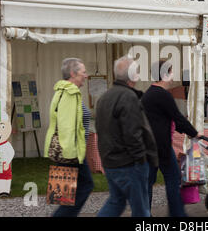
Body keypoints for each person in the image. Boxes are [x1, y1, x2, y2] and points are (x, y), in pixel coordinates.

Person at [96, 56, 158, 217]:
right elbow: (133, 134)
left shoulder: (104, 97)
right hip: (128, 163)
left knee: (116, 202)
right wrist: (141, 159)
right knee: (141, 209)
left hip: (111, 161)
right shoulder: (128, 97)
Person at [141, 60, 199, 217]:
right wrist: (194, 133)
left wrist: (185, 130)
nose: (173, 76)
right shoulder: (163, 95)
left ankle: (144, 213)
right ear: (165, 74)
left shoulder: (148, 94)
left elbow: (171, 119)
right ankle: (177, 214)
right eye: (172, 72)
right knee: (173, 179)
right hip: (162, 147)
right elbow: (177, 117)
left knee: (148, 182)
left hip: (148, 146)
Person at [44, 58, 94, 217]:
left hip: (69, 150)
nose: (86, 76)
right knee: (86, 185)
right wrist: (71, 154)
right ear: (73, 74)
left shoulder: (61, 90)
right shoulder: (70, 93)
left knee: (64, 195)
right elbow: (65, 125)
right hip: (71, 152)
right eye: (83, 72)